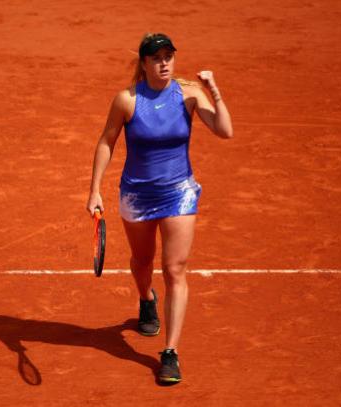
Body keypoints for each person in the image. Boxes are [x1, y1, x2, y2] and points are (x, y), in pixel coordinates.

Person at [86, 33, 233, 383]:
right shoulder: (127, 100)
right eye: (157, 58)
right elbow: (107, 141)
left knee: (174, 268)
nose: (164, 63)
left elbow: (225, 131)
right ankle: (145, 298)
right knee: (142, 261)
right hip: (136, 196)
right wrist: (94, 190)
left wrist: (213, 90)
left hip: (179, 193)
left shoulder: (190, 95)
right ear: (144, 63)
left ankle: (170, 352)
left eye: (169, 56)